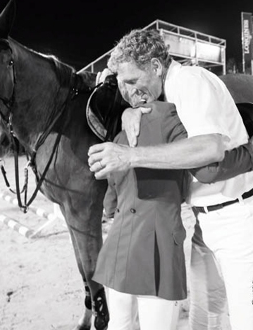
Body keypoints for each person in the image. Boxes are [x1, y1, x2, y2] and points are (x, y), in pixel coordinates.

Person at [88, 29, 253, 330]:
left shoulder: (189, 81)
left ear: (155, 66)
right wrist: (129, 113)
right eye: (121, 84)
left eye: (132, 81)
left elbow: (209, 151)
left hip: (239, 218)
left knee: (247, 323)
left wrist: (130, 156)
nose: (126, 91)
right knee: (203, 319)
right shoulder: (165, 93)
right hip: (205, 222)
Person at [93, 90, 190, 330]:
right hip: (157, 251)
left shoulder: (118, 139)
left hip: (119, 247)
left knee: (119, 325)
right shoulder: (180, 127)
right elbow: (188, 189)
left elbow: (109, 203)